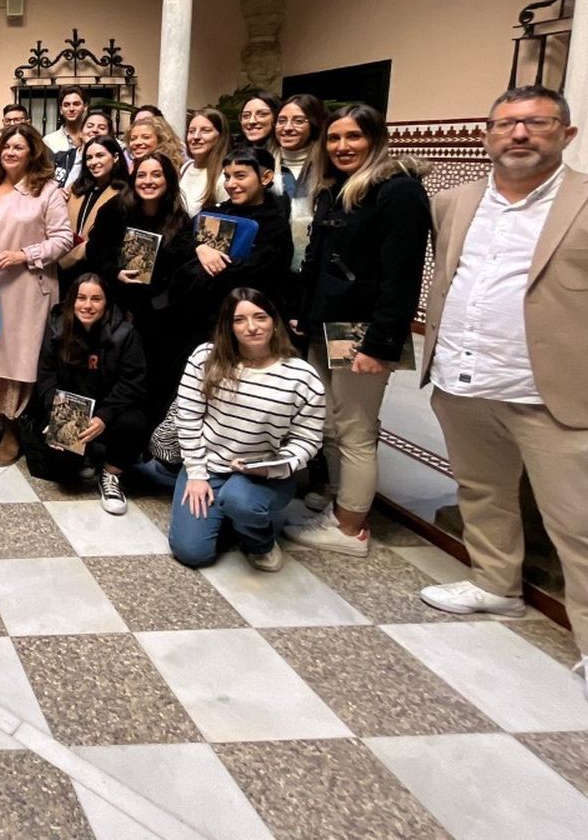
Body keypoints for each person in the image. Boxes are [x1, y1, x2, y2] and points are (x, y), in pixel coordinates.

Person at [416, 87, 588, 709]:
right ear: (489, 134)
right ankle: (495, 583)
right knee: (483, 490)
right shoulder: (455, 201)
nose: (519, 134)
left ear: (566, 134)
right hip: (465, 380)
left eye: (536, 123)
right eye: (506, 124)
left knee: (581, 523)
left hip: (555, 391)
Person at [283, 104, 429, 558]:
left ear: (376, 139)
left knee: (355, 428)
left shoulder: (398, 192)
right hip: (326, 324)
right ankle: (339, 505)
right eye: (334, 138)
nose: (343, 146)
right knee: (327, 422)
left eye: (354, 137)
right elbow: (319, 262)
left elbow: (401, 275)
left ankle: (350, 529)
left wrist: (380, 343)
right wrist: (302, 315)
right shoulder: (336, 189)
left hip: (360, 328)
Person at [170, 289, 327, 571]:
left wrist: (272, 468)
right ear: (228, 326)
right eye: (239, 320)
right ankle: (229, 516)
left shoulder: (301, 375)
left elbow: (308, 438)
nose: (251, 327)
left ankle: (259, 540)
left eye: (260, 317)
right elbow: (188, 417)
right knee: (192, 553)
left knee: (240, 501)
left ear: (275, 321)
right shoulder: (205, 358)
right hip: (210, 467)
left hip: (264, 475)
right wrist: (195, 474)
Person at [0, 123, 74, 465]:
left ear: (32, 152)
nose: (10, 152)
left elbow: (63, 239)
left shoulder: (47, 191)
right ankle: (4, 418)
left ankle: (16, 430)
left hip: (26, 286)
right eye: (6, 147)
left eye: (18, 147)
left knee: (19, 360)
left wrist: (26, 254)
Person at [86, 153, 198, 420]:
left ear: (169, 180)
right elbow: (95, 250)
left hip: (158, 311)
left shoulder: (179, 218)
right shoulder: (114, 210)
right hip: (117, 303)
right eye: (142, 175)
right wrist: (116, 272)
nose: (148, 181)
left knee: (152, 374)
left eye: (156, 175)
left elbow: (180, 266)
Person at [28, 273, 149, 514]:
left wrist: (104, 416)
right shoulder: (57, 328)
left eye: (96, 299)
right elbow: (46, 375)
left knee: (135, 422)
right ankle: (88, 455)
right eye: (81, 298)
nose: (87, 305)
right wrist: (57, 416)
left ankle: (111, 474)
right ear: (72, 300)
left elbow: (132, 383)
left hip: (108, 413)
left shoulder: (125, 334)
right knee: (62, 474)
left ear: (106, 303)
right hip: (69, 411)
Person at [169, 145, 295, 349]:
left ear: (265, 177)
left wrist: (211, 266)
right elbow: (177, 244)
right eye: (227, 177)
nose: (231, 184)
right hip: (198, 319)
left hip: (247, 322)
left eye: (240, 176)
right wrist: (200, 249)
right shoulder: (217, 212)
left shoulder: (274, 223)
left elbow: (256, 270)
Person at [272, 93, 329, 271]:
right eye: (281, 120)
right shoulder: (265, 165)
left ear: (314, 124)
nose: (287, 127)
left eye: (298, 121)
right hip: (272, 268)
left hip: (316, 269)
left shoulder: (327, 168)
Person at [59, 136, 129, 276]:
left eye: (100, 156)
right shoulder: (75, 188)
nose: (93, 162)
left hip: (100, 268)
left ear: (115, 157)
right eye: (89, 158)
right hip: (64, 266)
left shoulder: (125, 194)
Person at [179, 109, 230, 215]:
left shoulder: (225, 176)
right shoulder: (185, 167)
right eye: (191, 131)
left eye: (205, 130)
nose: (196, 137)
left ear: (220, 136)